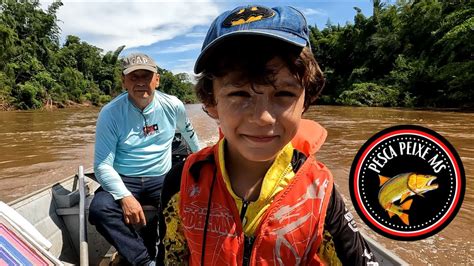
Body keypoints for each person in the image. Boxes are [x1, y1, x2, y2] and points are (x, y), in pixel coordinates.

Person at [159, 5, 379, 266]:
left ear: (305, 101)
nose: (262, 118)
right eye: (239, 94)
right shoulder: (183, 182)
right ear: (211, 102)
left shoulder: (320, 192)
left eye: (284, 95)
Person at [89, 52, 201, 265]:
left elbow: (192, 138)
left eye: (146, 76)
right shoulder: (110, 113)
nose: (141, 83)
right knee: (99, 209)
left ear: (157, 80)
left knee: (194, 203)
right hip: (124, 178)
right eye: (134, 77)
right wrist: (124, 196)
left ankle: (168, 255)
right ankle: (143, 261)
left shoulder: (173, 105)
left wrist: (210, 164)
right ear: (123, 82)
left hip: (161, 177)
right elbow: (102, 165)